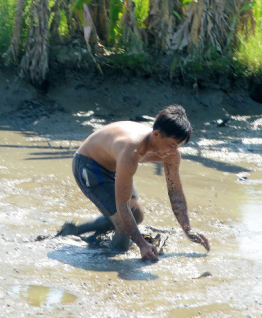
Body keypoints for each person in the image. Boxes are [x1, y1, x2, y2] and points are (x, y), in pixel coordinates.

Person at [66, 105, 210, 261]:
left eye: (178, 146)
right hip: (89, 165)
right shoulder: (132, 150)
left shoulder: (171, 154)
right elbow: (122, 205)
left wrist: (188, 230)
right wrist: (142, 244)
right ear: (156, 134)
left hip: (114, 166)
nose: (174, 151)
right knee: (124, 228)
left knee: (137, 215)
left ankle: (75, 230)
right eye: (172, 144)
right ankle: (112, 262)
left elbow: (175, 191)